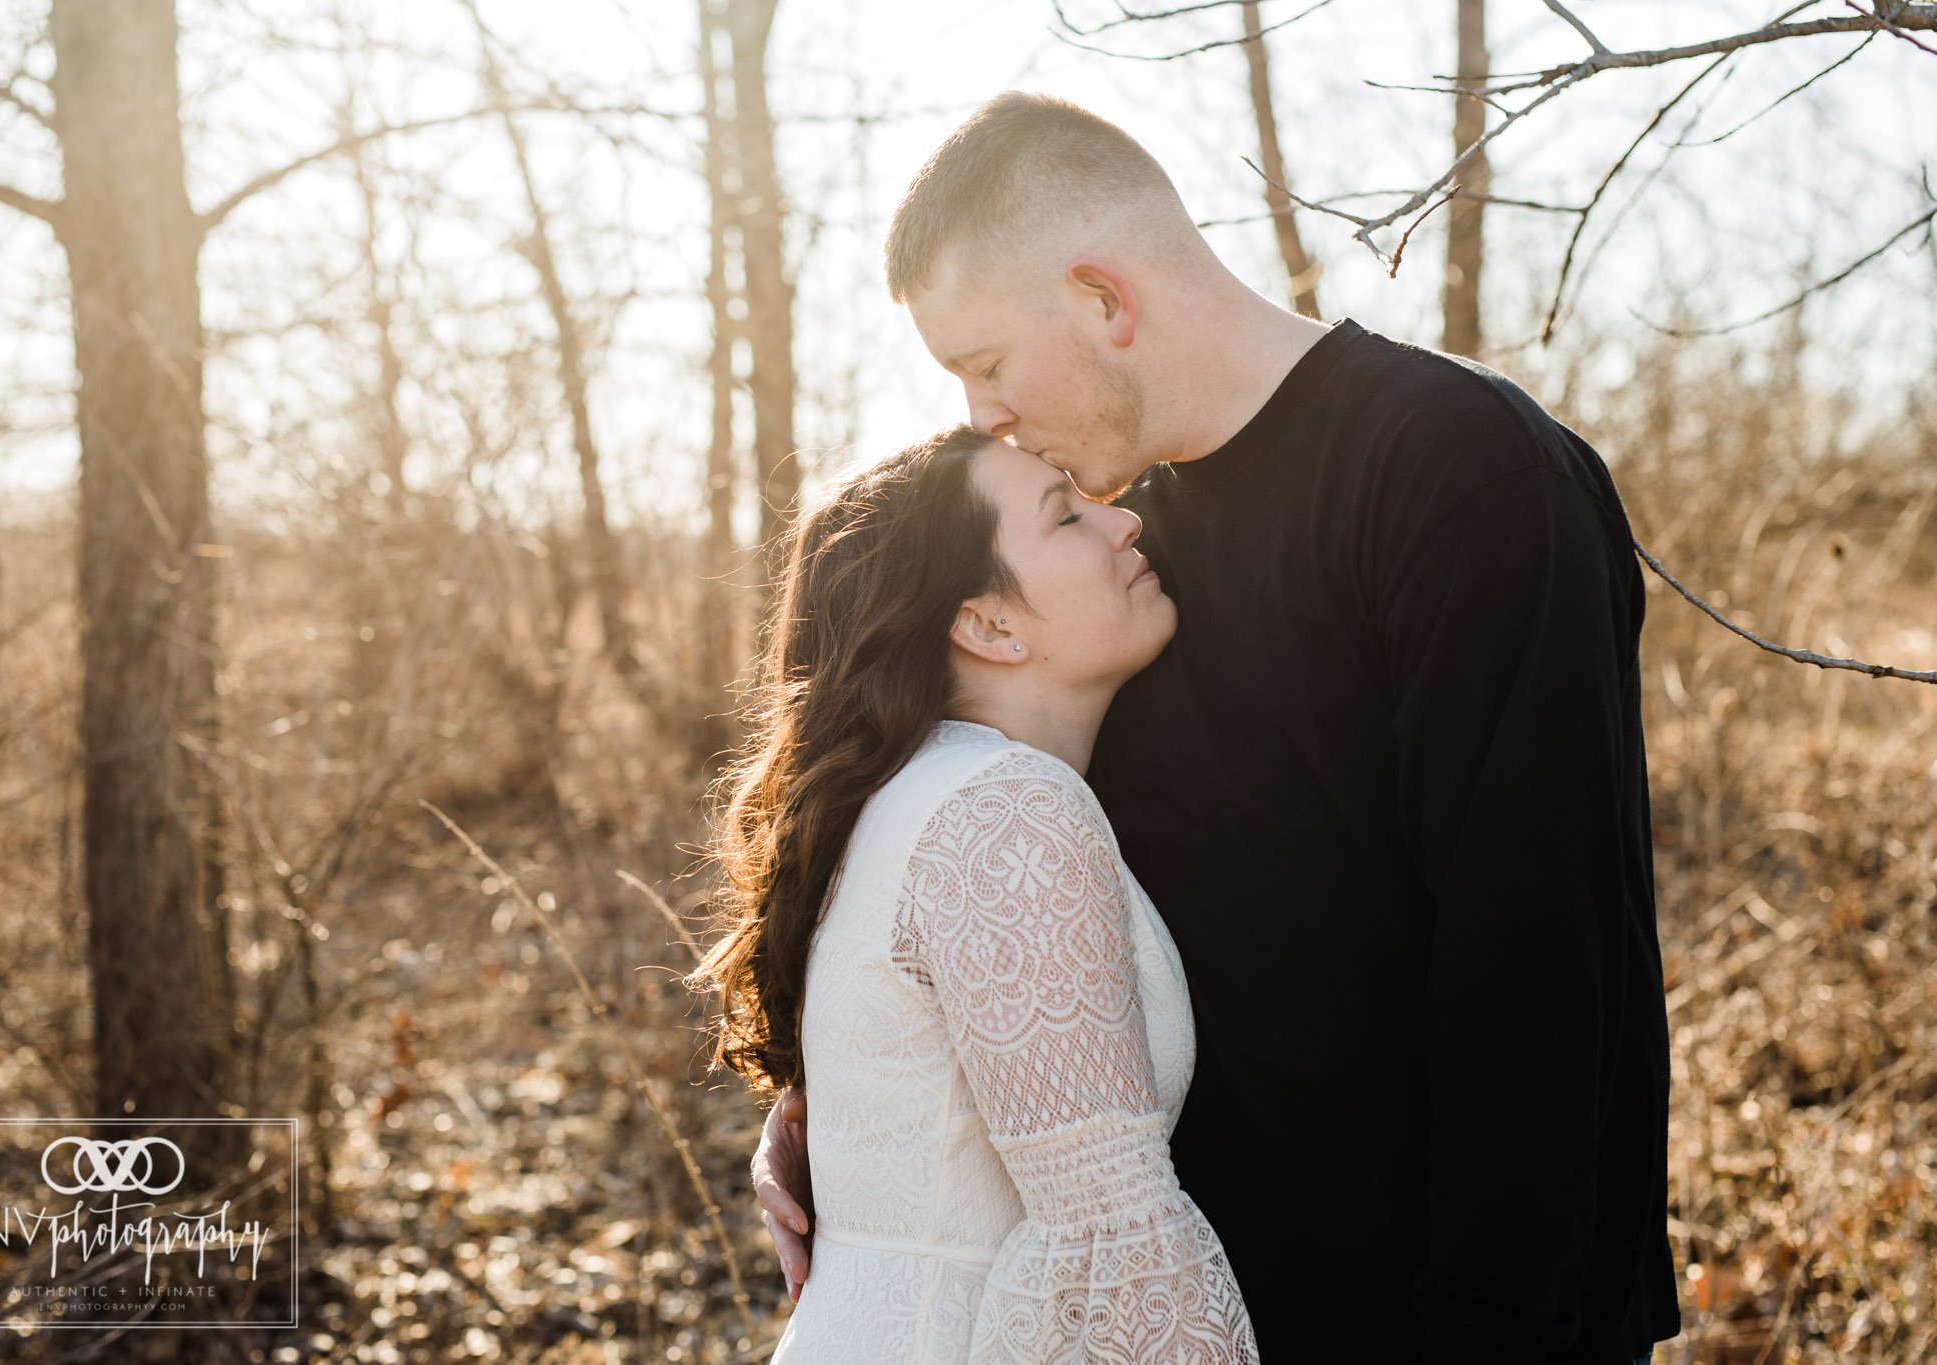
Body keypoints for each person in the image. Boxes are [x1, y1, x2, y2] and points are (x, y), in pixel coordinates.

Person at [754, 93, 1680, 1365]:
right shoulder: (1118, 563)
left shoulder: (1460, 478)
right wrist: (858, 1118)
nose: (980, 416)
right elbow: (977, 886)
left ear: (1101, 299)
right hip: (1194, 1312)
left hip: (1445, 1315)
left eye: (983, 364)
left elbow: (1539, 964)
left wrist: (1489, 1331)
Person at [690, 424, 1262, 1361]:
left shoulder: (928, 794)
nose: (1124, 522)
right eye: (1067, 516)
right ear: (989, 623)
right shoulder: (1007, 810)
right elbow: (1120, 1259)